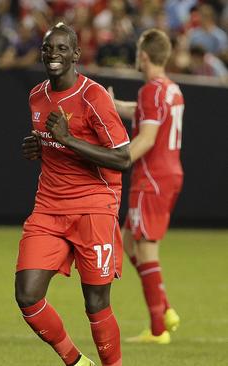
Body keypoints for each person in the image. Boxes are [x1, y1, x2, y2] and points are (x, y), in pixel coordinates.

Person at [17, 23, 130, 366]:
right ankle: (76, 362)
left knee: (96, 303)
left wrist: (68, 140)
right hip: (49, 207)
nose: (54, 54)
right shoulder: (37, 95)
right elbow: (52, 142)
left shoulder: (92, 97)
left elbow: (122, 157)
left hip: (94, 206)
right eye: (48, 48)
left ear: (76, 55)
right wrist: (39, 146)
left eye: (62, 48)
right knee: (27, 295)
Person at [108, 28, 183, 345]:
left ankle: (158, 328)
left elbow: (147, 138)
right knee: (128, 242)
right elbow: (143, 114)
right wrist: (113, 104)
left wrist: (114, 160)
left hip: (151, 178)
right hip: (168, 173)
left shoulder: (150, 90)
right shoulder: (171, 89)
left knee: (146, 250)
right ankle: (164, 309)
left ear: (143, 55)